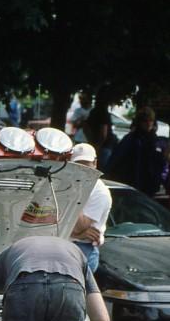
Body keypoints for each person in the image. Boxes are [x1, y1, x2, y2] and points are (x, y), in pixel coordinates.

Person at [69, 142, 112, 272]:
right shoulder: (66, 184)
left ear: (95, 164)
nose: (83, 170)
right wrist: (75, 233)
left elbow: (79, 227)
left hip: (83, 250)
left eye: (86, 165)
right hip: (65, 246)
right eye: (78, 165)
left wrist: (72, 194)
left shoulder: (100, 192)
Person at [107, 106, 168, 197]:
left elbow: (161, 163)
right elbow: (116, 159)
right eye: (145, 121)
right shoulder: (131, 139)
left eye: (150, 120)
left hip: (150, 185)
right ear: (139, 122)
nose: (148, 124)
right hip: (132, 183)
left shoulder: (156, 141)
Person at [83, 88, 118, 171]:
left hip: (96, 145)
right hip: (104, 147)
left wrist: (91, 141)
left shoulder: (93, 112)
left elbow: (85, 127)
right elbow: (103, 134)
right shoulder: (104, 113)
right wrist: (98, 146)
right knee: (103, 171)